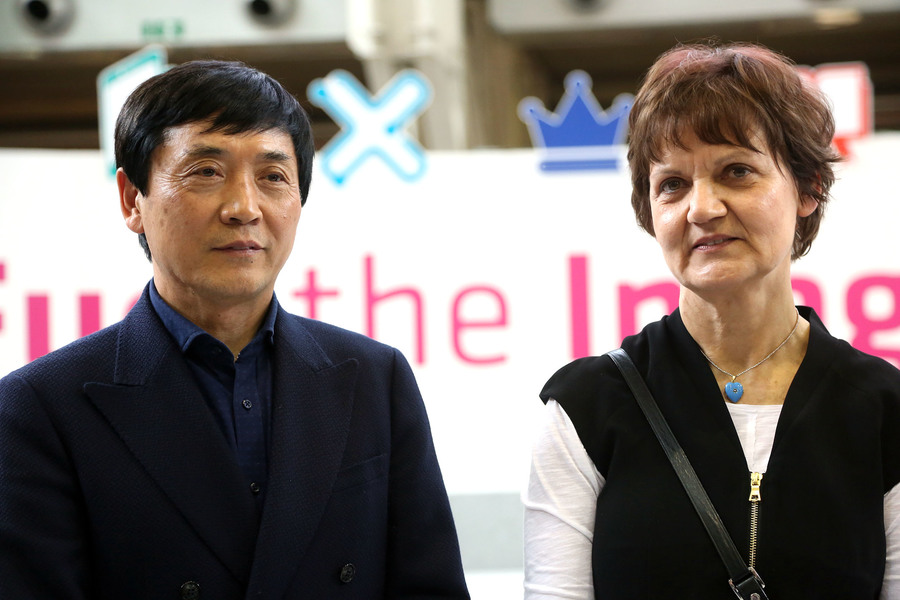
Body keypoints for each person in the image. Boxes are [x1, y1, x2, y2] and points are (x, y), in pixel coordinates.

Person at [0, 60, 469, 599]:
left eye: (273, 176)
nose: (245, 207)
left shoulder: (373, 378)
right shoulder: (40, 407)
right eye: (206, 171)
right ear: (133, 199)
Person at [523, 41, 900, 599]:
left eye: (737, 171)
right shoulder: (587, 408)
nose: (702, 207)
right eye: (672, 184)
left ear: (808, 188)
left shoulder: (882, 409)